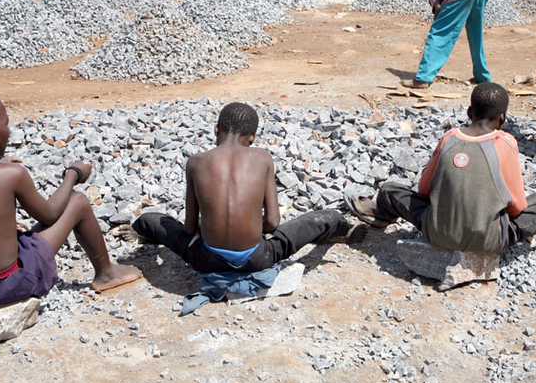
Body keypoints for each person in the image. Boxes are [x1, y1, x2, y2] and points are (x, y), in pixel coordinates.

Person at [0, 92, 141, 306]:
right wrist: (73, 174)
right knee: (77, 201)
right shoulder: (12, 174)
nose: (9, 131)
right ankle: (107, 273)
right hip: (4, 285)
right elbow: (49, 215)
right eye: (6, 124)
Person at [118, 103, 366, 273]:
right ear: (252, 138)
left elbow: (189, 227)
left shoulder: (195, 162)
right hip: (258, 259)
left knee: (152, 219)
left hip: (205, 261)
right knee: (321, 219)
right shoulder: (262, 158)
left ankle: (141, 233)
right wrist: (253, 227)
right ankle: (342, 229)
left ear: (216, 130)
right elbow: (272, 222)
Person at [344, 83, 536, 253]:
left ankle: (380, 215)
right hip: (491, 241)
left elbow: (424, 190)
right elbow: (517, 207)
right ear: (503, 119)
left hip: (436, 233)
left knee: (390, 189)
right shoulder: (506, 143)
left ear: (469, 112)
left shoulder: (449, 138)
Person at [401, 0, 491, 90]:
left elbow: (438, 7)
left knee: (439, 33)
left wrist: (439, 12)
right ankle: (482, 76)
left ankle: (423, 78)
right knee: (476, 33)